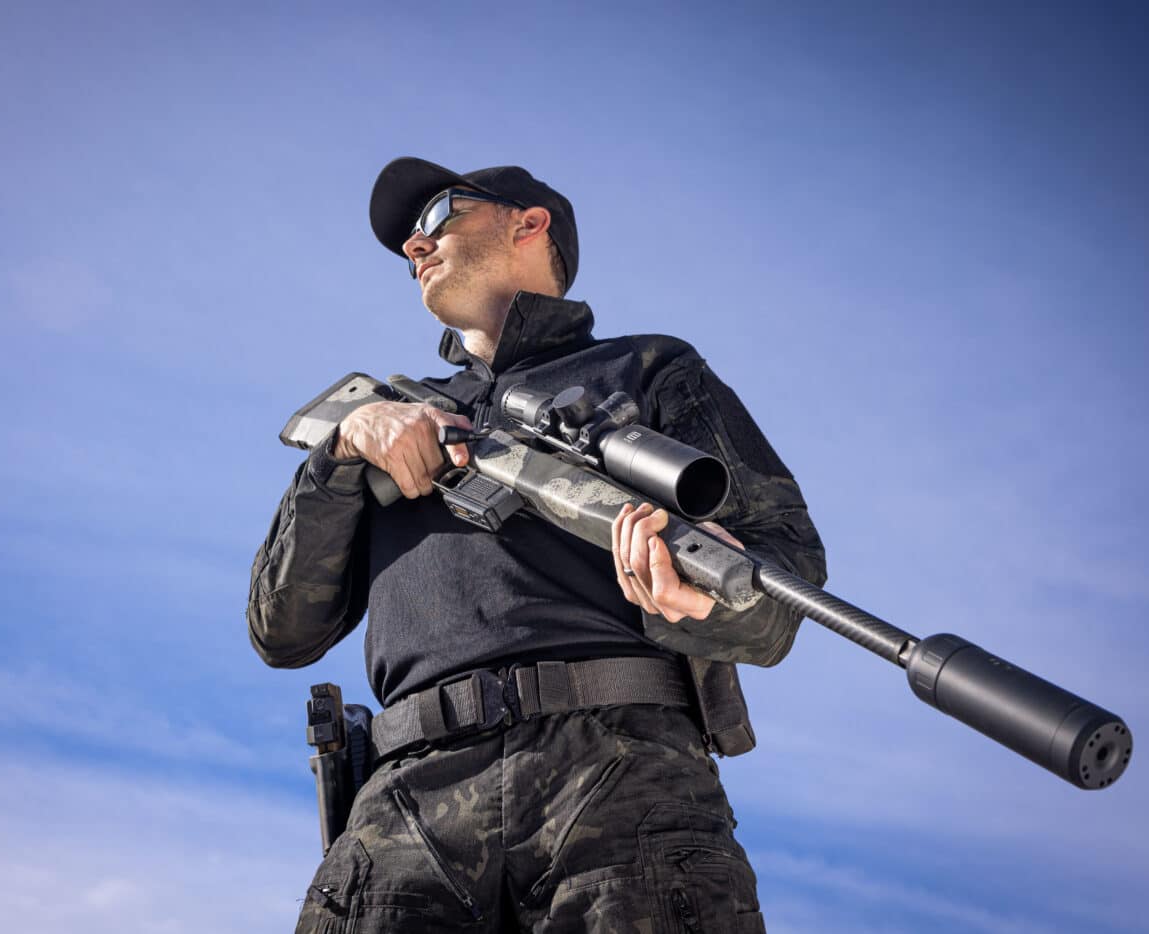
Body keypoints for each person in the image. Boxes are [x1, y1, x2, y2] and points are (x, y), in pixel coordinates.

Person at [248, 158, 827, 933]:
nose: (415, 247)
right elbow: (281, 630)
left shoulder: (650, 368)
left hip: (620, 779)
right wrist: (344, 452)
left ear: (529, 223)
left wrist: (705, 604)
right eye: (405, 244)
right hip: (410, 801)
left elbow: (783, 580)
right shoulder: (385, 421)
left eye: (436, 217)